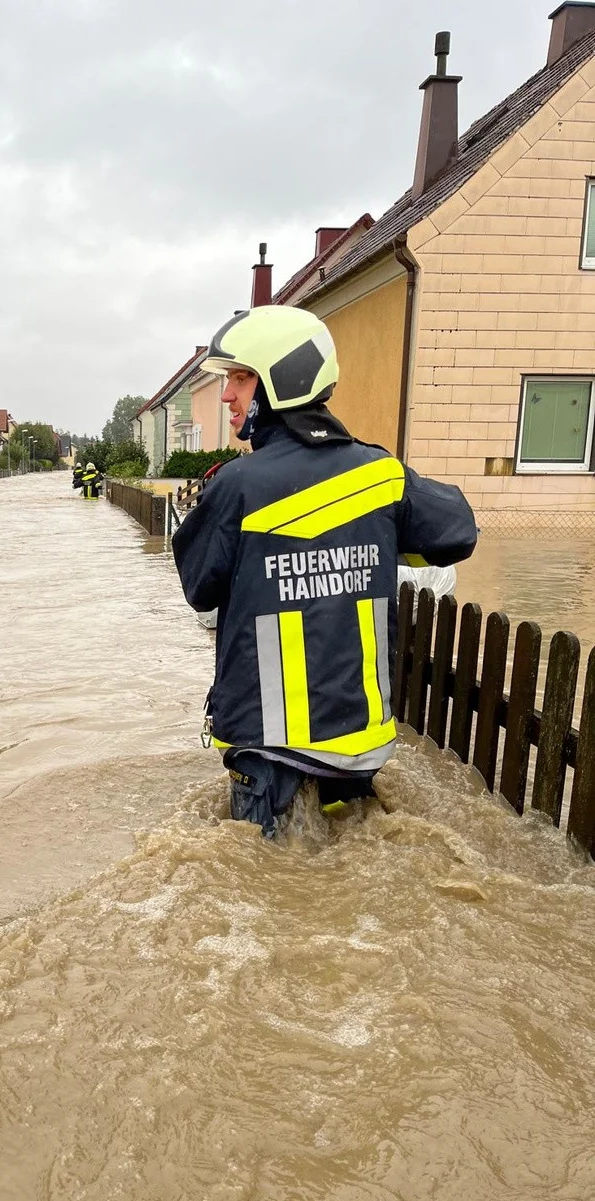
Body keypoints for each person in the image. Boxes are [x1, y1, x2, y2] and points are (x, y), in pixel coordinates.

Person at [172, 304, 477, 838]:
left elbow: (200, 589)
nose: (227, 396)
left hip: (269, 751)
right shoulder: (382, 476)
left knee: (264, 891)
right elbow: (457, 533)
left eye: (240, 378)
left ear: (279, 381)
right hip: (359, 747)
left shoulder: (239, 486)